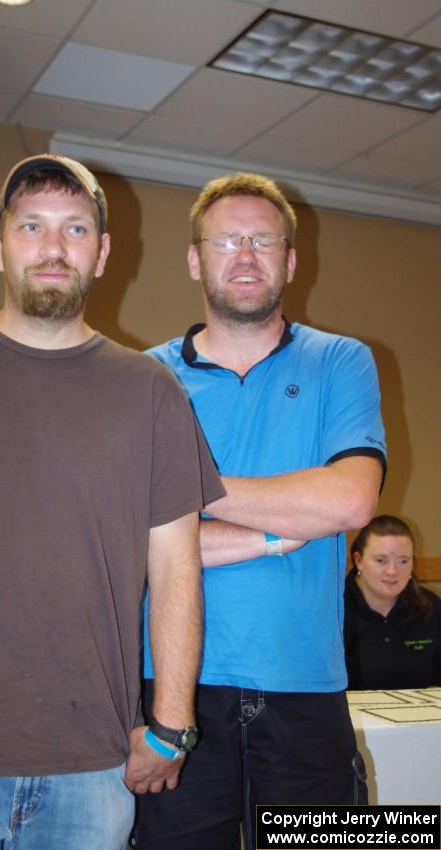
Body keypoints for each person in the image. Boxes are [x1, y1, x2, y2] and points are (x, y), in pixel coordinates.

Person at [0, 153, 225, 850]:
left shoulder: (149, 392)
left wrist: (170, 724)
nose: (53, 247)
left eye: (74, 229)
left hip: (91, 773)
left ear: (101, 255)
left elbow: (176, 571)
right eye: (31, 225)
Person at [132, 172, 387, 850]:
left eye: (263, 241)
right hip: (174, 696)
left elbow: (352, 499)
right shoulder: (142, 379)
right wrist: (277, 534)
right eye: (225, 240)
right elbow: (129, 537)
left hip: (307, 692)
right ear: (194, 259)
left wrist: (183, 495)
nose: (244, 255)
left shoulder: (342, 361)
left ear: (290, 261)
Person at [345, 515, 441, 690]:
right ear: (358, 560)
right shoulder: (332, 608)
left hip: (419, 714)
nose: (392, 571)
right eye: (381, 561)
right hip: (349, 715)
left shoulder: (430, 607)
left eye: (403, 561)